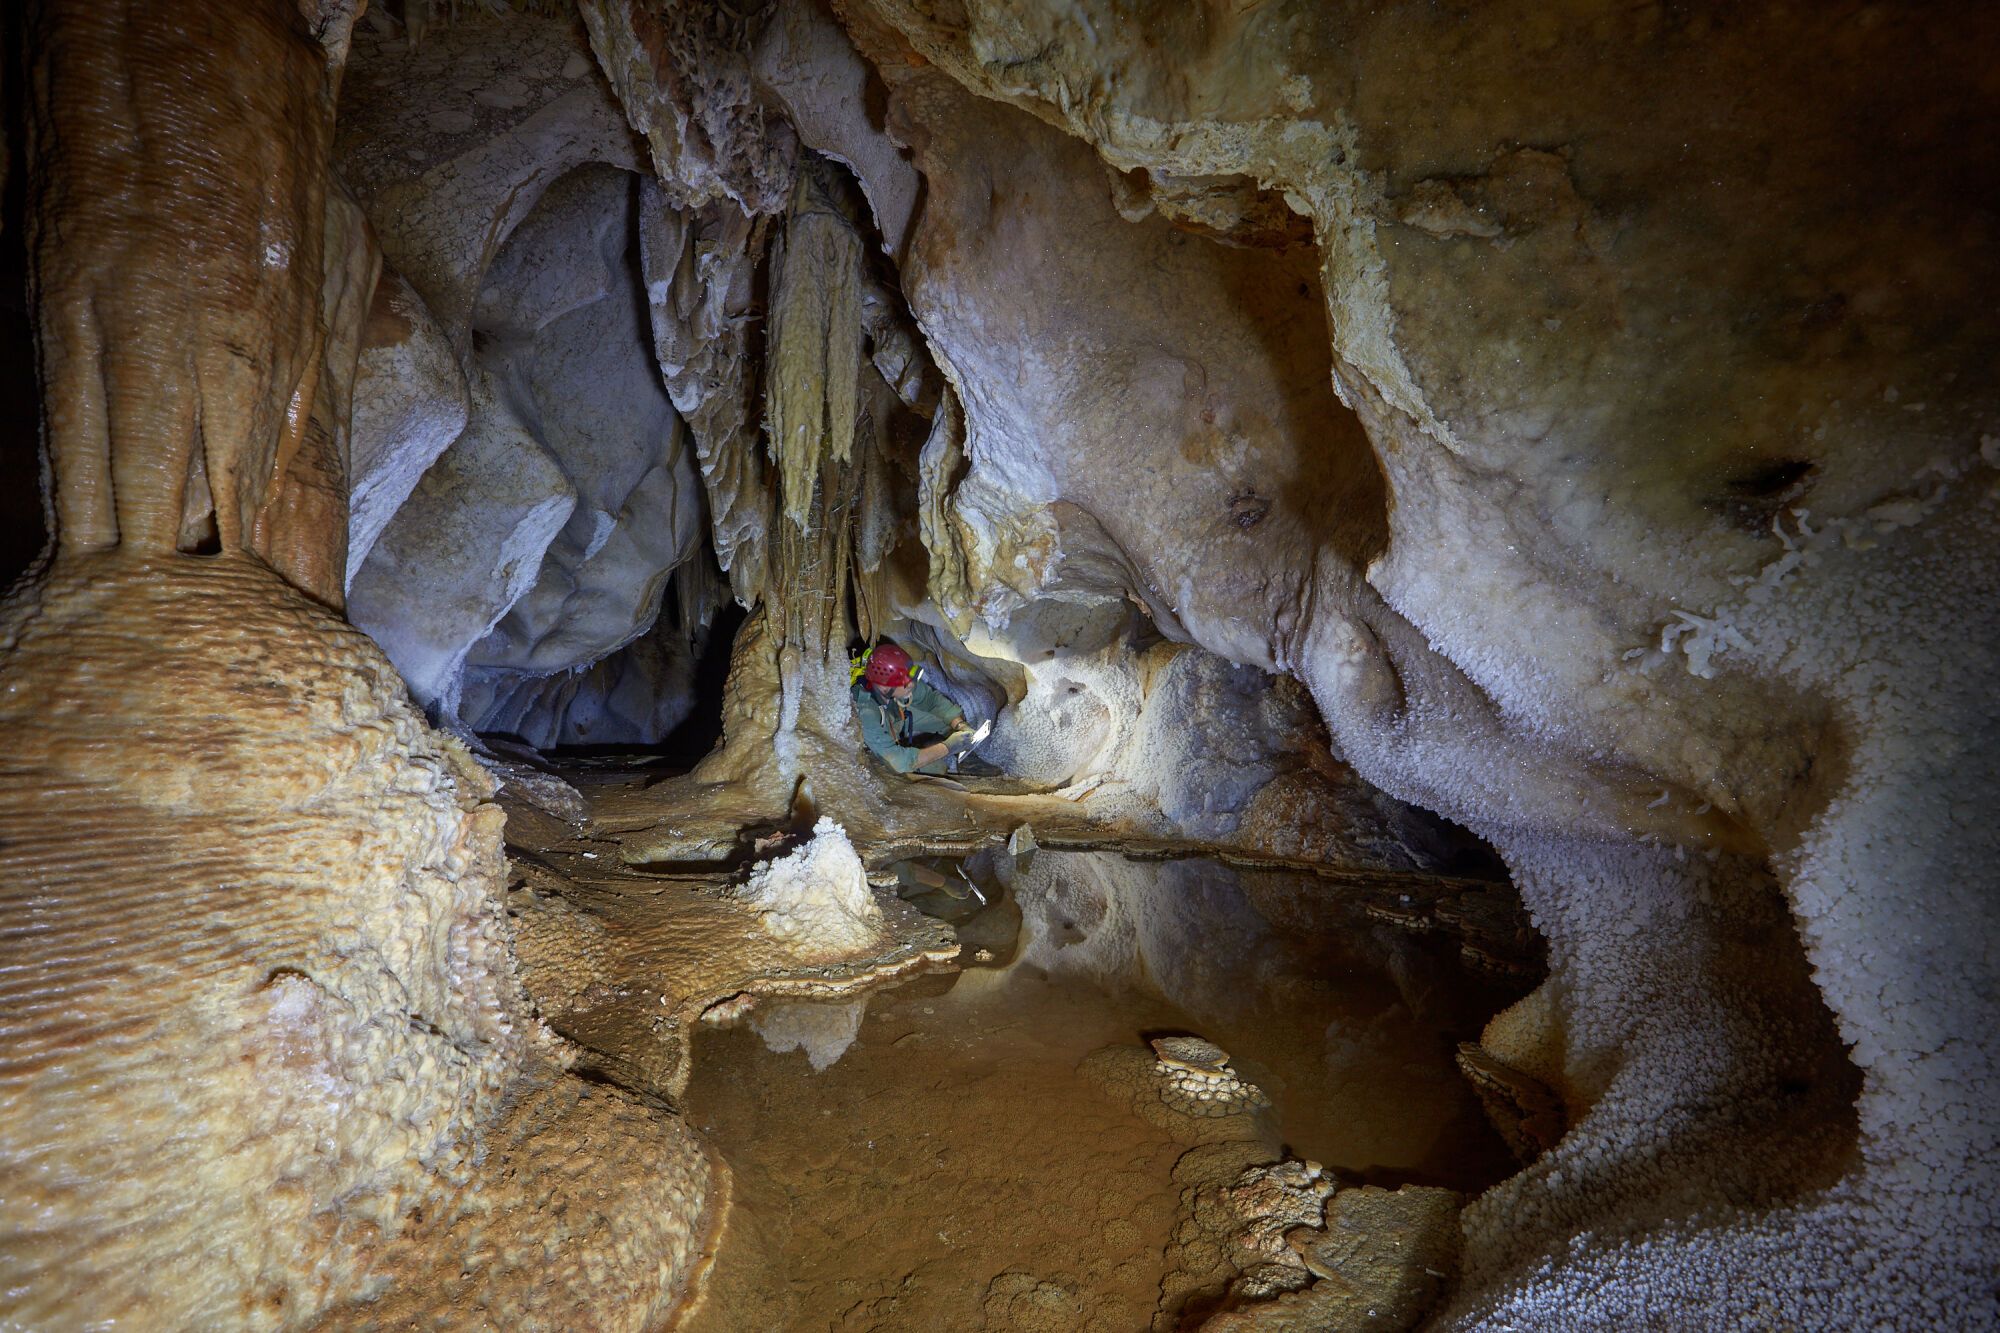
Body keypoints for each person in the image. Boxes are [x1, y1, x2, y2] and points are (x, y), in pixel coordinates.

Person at [852, 642, 983, 775]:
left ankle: (961, 742)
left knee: (945, 719)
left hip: (895, 713)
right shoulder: (865, 713)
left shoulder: (899, 682)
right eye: (906, 685)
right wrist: (947, 747)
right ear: (884, 687)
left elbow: (930, 699)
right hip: (878, 744)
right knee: (935, 769)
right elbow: (898, 762)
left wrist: (960, 725)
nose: (912, 685)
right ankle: (943, 755)